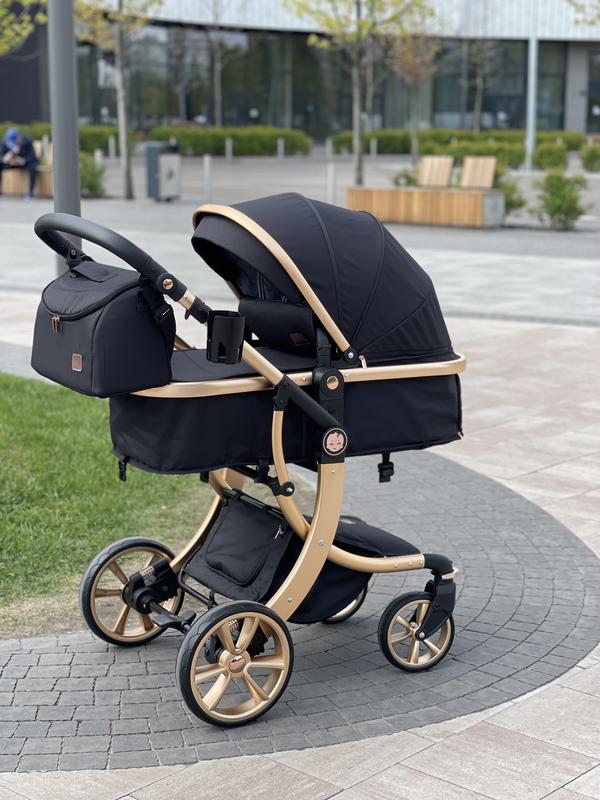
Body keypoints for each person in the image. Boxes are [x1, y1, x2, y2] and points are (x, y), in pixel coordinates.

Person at [0, 128, 38, 198]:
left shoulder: (27, 141)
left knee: (33, 166)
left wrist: (22, 161)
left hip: (24, 163)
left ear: (19, 138)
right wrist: (6, 159)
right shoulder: (3, 141)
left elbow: (33, 157)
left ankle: (30, 192)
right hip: (10, 163)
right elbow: (1, 156)